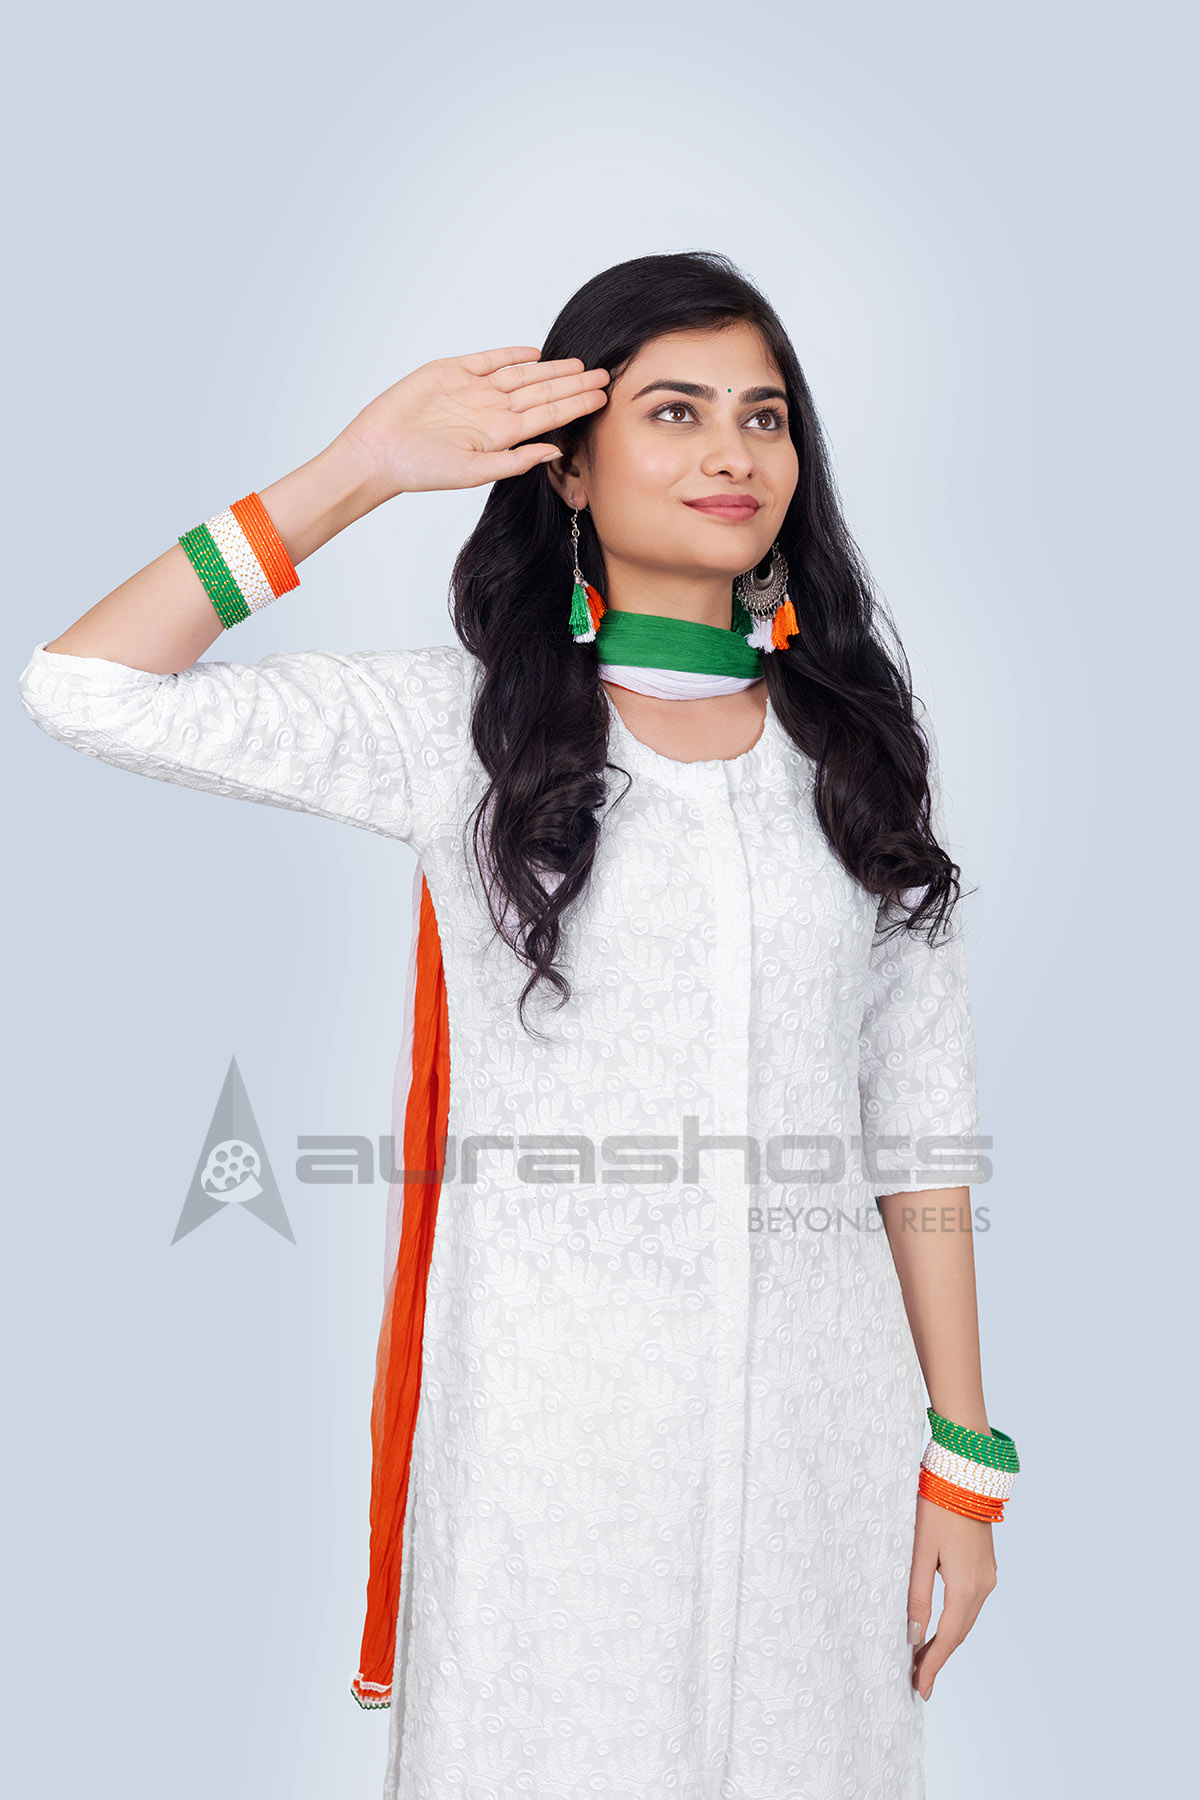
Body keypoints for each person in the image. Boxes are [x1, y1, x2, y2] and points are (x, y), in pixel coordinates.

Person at [17, 250, 1016, 1800]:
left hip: (825, 1446)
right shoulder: (463, 730)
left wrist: (962, 1455)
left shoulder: (859, 754)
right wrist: (355, 471)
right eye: (675, 411)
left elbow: (919, 1115)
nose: (732, 452)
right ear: (569, 468)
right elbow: (87, 689)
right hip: (550, 1450)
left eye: (763, 415)